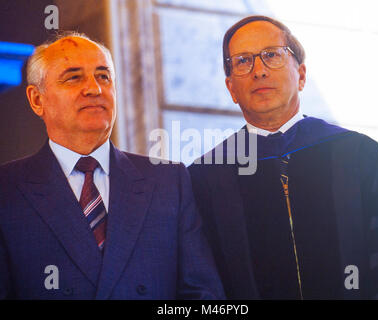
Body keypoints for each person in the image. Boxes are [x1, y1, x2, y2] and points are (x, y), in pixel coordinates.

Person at [188, 15, 378, 299]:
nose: (259, 71)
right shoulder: (205, 178)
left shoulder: (363, 157)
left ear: (301, 75)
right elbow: (200, 286)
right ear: (231, 88)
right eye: (243, 61)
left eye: (271, 55)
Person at [0, 32, 224, 300]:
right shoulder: (7, 189)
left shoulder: (169, 181)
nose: (94, 88)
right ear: (37, 99)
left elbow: (202, 294)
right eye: (74, 77)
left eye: (103, 76)